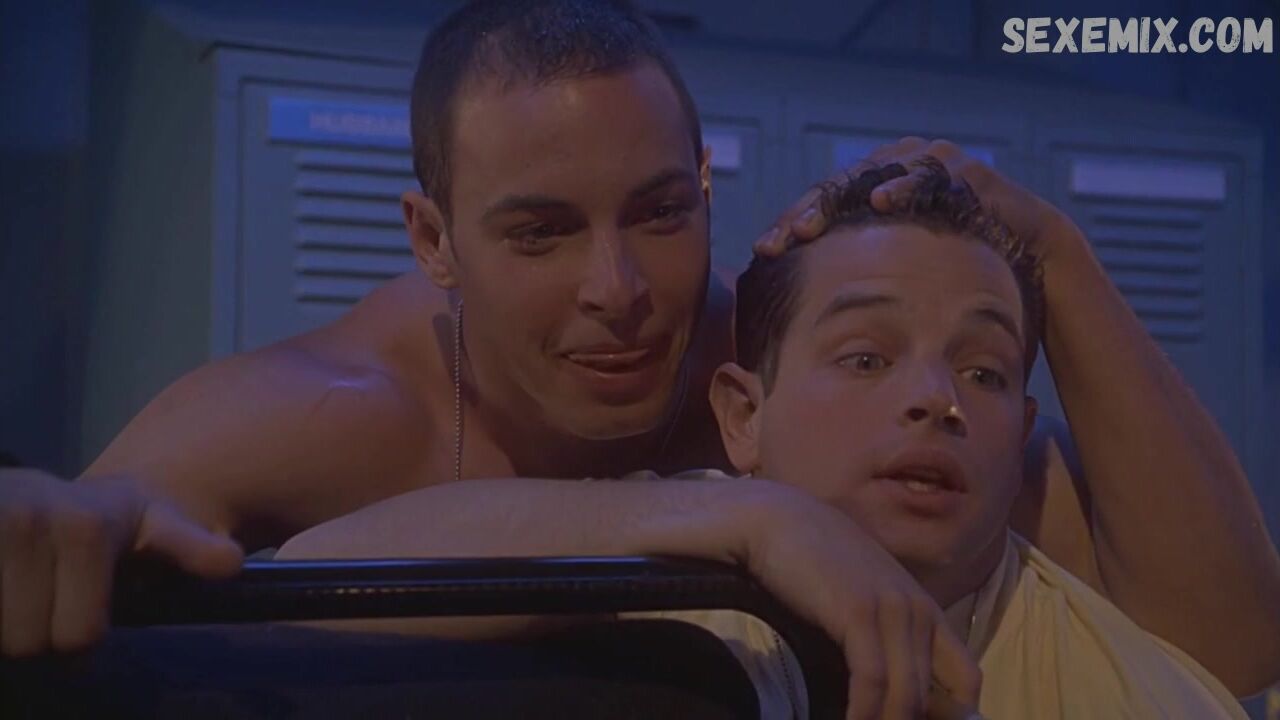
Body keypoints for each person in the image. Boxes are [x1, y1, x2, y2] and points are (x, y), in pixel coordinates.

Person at [1, 0, 1276, 712]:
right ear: (433, 239)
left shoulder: (783, 371)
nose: (617, 292)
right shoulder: (316, 413)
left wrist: (1053, 253)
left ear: (706, 189)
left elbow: (1229, 642)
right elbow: (78, 592)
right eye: (540, 233)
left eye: (661, 215)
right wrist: (742, 521)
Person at [670, 159, 1246, 718]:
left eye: (983, 374)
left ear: (1021, 439)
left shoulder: (1139, 699)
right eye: (867, 359)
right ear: (744, 415)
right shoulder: (644, 624)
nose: (936, 397)